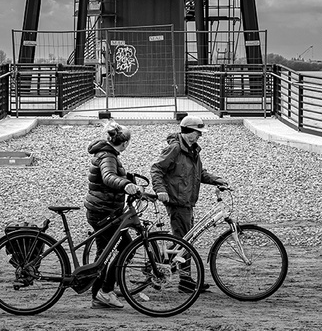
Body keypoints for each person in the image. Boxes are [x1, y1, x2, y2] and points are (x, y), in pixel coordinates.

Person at [151, 116, 227, 292]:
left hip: (186, 201)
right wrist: (160, 190)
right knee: (185, 241)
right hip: (177, 201)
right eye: (197, 133)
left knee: (183, 240)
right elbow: (156, 168)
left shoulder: (192, 149)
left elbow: (199, 173)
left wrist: (217, 180)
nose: (199, 136)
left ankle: (163, 267)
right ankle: (183, 281)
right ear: (188, 132)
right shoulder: (176, 148)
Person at [85, 120, 145, 310]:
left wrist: (129, 179)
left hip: (103, 209)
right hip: (104, 211)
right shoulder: (108, 156)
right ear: (125, 143)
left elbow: (111, 176)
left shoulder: (106, 153)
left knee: (109, 250)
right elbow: (108, 177)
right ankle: (104, 292)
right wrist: (126, 185)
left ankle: (101, 293)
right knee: (114, 248)